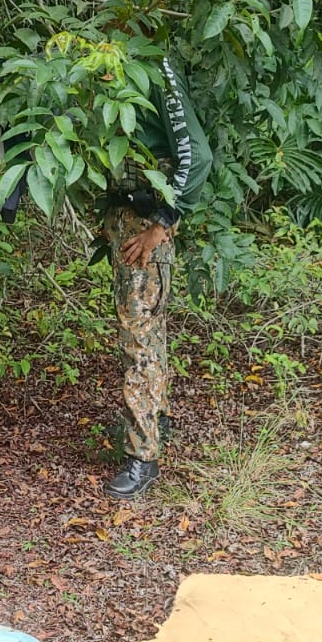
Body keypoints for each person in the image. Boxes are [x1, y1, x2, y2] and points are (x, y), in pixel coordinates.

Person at [101, 57, 212, 499]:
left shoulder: (155, 65)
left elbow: (197, 156)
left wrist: (161, 224)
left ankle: (142, 457)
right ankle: (155, 417)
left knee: (139, 341)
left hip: (144, 231)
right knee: (152, 333)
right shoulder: (115, 62)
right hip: (127, 222)